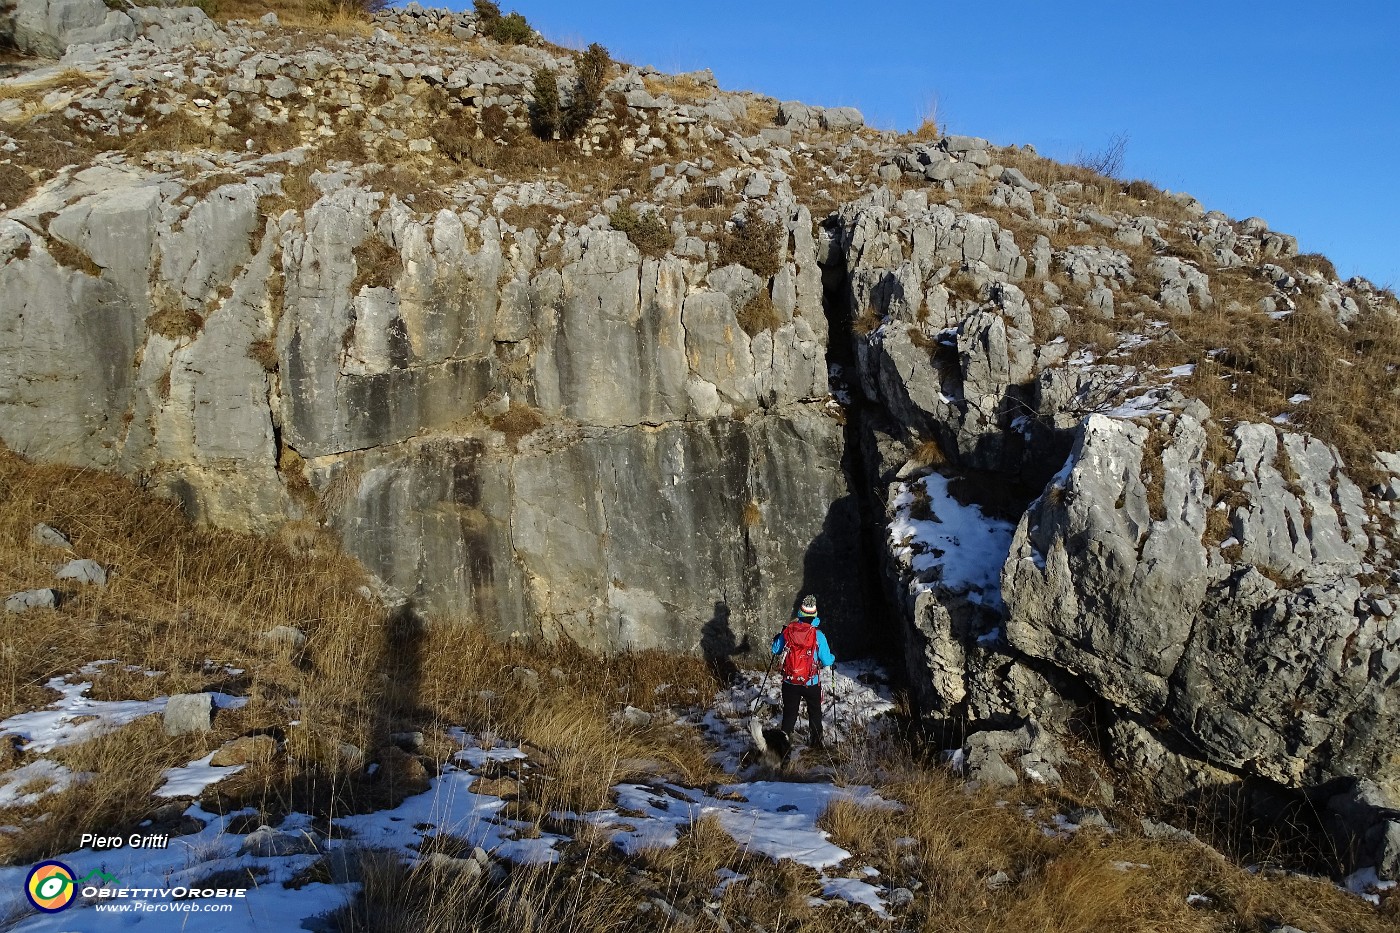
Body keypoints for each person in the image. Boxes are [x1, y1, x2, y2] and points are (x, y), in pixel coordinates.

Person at [771, 595, 835, 750]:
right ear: (814, 615)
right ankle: (816, 744)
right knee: (815, 713)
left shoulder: (788, 632)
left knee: (789, 714)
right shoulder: (818, 635)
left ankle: (782, 747)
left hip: (790, 681)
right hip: (811, 682)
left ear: (800, 613)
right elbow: (826, 661)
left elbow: (775, 650)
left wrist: (777, 638)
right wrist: (833, 657)